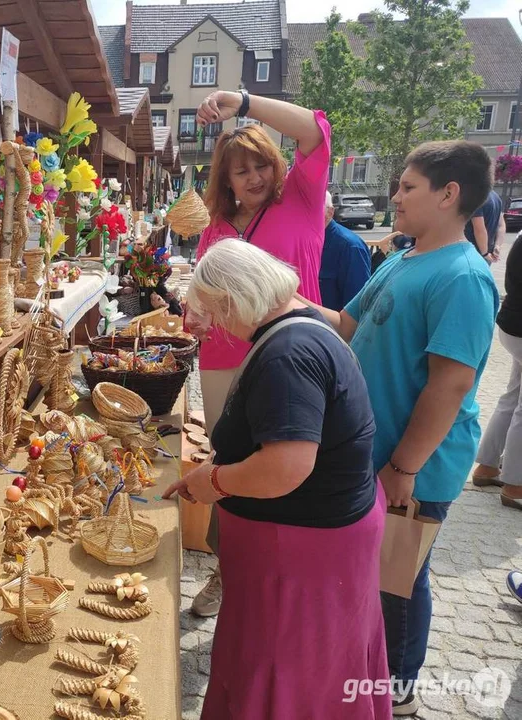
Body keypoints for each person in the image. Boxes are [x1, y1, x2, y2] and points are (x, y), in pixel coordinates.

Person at [302, 141, 500, 716]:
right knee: (372, 571)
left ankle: (397, 689)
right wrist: (279, 295)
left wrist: (404, 467)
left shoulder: (463, 277)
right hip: (373, 454)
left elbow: (451, 386)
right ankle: (364, 667)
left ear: (448, 194)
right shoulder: (401, 258)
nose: (396, 196)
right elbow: (345, 323)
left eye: (408, 187)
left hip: (416, 466)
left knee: (401, 580)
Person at [164, 239, 390, 719]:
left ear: (234, 297)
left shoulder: (289, 352)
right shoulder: (297, 324)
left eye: (216, 310)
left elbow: (287, 465)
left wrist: (216, 482)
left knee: (286, 669)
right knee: (301, 664)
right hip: (314, 539)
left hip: (303, 554)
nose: (217, 324)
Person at [190, 90, 330, 617]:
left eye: (260, 165)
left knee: (289, 463)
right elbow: (202, 298)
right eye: (239, 170)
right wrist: (196, 314)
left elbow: (315, 130)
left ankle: (284, 576)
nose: (253, 177)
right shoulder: (215, 229)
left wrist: (243, 103)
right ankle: (226, 571)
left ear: (276, 166)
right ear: (225, 180)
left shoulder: (301, 198)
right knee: (230, 461)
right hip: (225, 357)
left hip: (292, 352)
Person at [472, 232, 522, 510]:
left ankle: (487, 466)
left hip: (512, 324)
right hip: (518, 326)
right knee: (518, 404)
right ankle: (515, 484)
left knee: (512, 398)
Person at [321, 191, 372, 310]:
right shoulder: (304, 243)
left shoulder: (350, 247)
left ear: (330, 212)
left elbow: (357, 308)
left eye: (313, 208)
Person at [465, 188, 504, 263]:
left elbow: (479, 229)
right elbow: (501, 225)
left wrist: (484, 253)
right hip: (489, 250)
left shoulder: (476, 198)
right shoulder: (496, 197)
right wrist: (497, 246)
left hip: (475, 252)